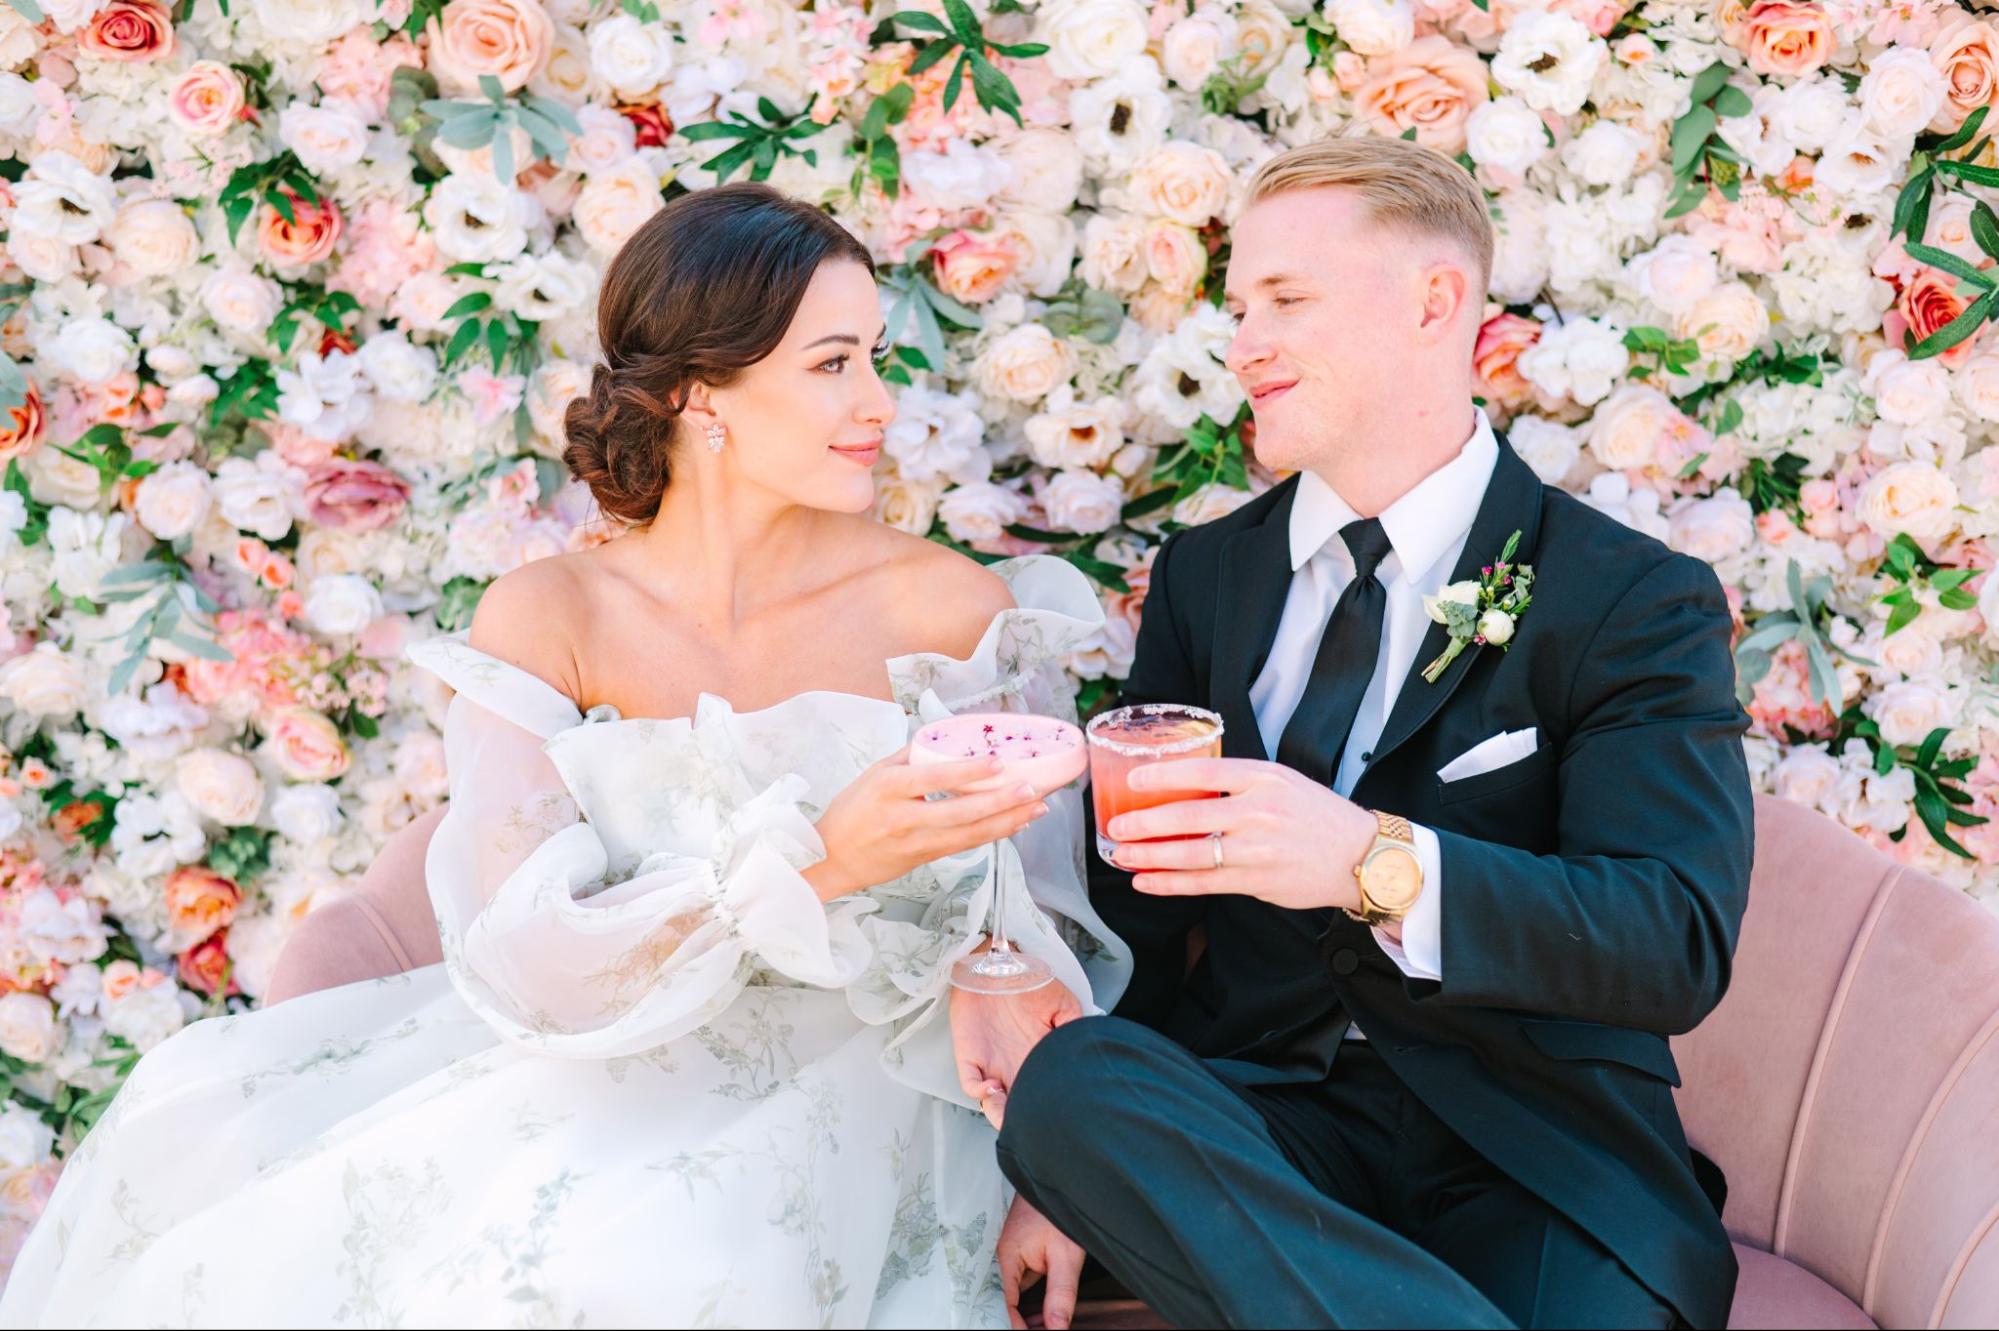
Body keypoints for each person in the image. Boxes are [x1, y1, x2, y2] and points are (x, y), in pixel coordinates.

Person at [0, 182, 1127, 1329]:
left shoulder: (950, 612)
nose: (879, 402)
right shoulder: (552, 615)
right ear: (698, 393)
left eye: (874, 357)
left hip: (870, 1089)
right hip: (589, 1070)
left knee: (658, 1271)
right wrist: (819, 859)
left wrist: (1057, 1172)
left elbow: (1039, 925)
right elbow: (529, 955)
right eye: (833, 363)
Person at [982, 137, 1754, 1330]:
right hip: (1263, 1143)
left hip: (1535, 1154)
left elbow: (1672, 938)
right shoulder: (1205, 579)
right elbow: (1136, 916)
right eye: (1239, 308)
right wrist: (1070, 1170)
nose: (1243, 343)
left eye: (1286, 300)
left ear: (1434, 302)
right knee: (1067, 1085)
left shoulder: (1628, 596)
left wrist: (1366, 860)